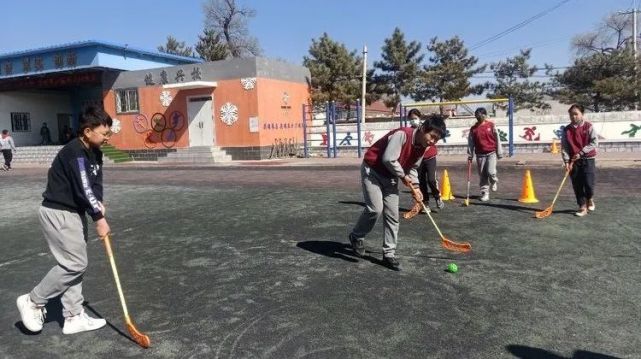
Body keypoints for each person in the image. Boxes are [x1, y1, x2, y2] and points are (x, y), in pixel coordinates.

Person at [16, 106, 112, 335]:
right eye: (104, 133)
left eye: (110, 133)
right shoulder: (74, 152)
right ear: (88, 131)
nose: (108, 137)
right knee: (74, 264)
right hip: (59, 212)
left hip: (74, 213)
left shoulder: (95, 151)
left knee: (75, 264)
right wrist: (98, 218)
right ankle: (32, 300)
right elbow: (82, 187)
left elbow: (94, 184)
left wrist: (98, 203)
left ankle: (73, 316)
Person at [348, 116, 446, 270]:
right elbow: (389, 159)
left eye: (437, 139)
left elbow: (413, 167)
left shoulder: (424, 147)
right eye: (432, 136)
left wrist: (416, 187)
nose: (433, 141)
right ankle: (356, 236)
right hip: (372, 171)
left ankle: (389, 254)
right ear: (423, 129)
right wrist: (403, 176)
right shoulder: (403, 135)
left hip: (391, 177)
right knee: (375, 209)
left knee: (393, 215)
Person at [561, 104, 598, 217]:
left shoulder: (588, 126)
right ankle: (582, 206)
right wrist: (566, 162)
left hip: (588, 159)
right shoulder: (566, 130)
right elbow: (564, 147)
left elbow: (594, 142)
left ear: (582, 114)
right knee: (577, 184)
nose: (573, 117)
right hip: (574, 161)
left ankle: (589, 198)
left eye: (576, 114)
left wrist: (581, 153)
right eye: (571, 114)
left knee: (589, 184)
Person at [467, 107, 503, 202]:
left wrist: (499, 153)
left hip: (491, 153)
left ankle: (494, 181)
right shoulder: (473, 129)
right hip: (480, 155)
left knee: (491, 172)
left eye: (480, 115)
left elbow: (497, 139)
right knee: (483, 175)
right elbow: (471, 143)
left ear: (485, 115)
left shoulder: (491, 125)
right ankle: (485, 193)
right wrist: (470, 155)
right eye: (477, 115)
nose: (478, 117)